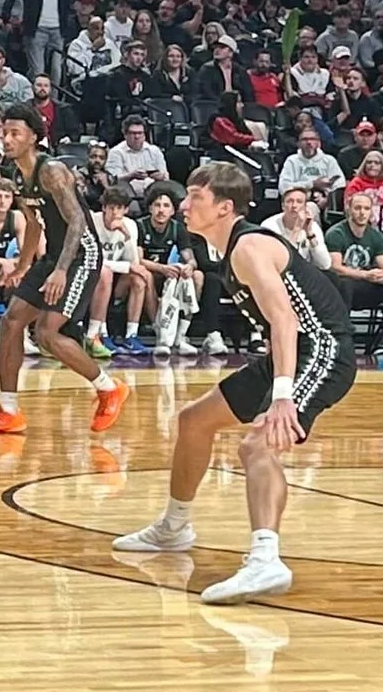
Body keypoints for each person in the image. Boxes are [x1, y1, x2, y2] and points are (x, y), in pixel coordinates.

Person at [112, 162, 357, 604]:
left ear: (224, 208)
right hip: (291, 352)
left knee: (257, 445)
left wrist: (282, 396)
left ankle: (266, 559)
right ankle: (175, 526)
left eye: (195, 197)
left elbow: (285, 318)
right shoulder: (229, 249)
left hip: (322, 349)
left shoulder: (248, 247)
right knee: (193, 421)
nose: (185, 205)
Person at [0, 105, 130, 436]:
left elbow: (78, 222)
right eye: (4, 132)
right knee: (10, 323)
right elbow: (32, 224)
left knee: (47, 333)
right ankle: (8, 411)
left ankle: (108, 388)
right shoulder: (15, 176)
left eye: (15, 133)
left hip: (81, 255)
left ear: (34, 137)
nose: (7, 139)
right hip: (54, 255)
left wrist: (61, 271)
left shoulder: (51, 171)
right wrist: (23, 266)